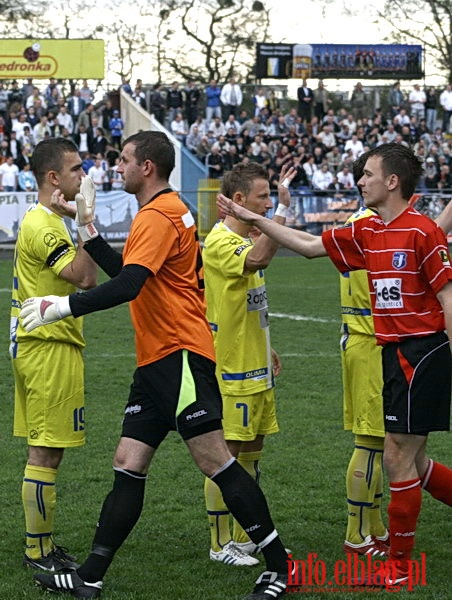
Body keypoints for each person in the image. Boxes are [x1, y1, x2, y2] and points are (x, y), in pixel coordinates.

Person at [22, 131, 290, 600]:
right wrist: (87, 228)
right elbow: (131, 270)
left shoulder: (158, 214)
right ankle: (90, 576)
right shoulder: (168, 210)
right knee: (128, 462)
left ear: (147, 167)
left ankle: (280, 567)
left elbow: (127, 285)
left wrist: (61, 307)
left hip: (178, 354)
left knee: (217, 461)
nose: (116, 168)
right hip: (159, 360)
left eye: (124, 160)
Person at [217, 143, 452, 587]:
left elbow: (447, 298)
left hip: (420, 354)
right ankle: (390, 555)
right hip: (391, 353)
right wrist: (259, 220)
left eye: (367, 174)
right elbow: (307, 246)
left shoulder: (422, 232)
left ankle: (398, 570)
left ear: (393, 181)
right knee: (412, 463)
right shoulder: (369, 231)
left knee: (398, 457)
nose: (360, 181)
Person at [10, 138, 97, 572]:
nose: (84, 175)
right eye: (77, 168)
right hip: (48, 347)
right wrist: (85, 221)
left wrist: (74, 219)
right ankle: (38, 553)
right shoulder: (44, 225)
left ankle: (40, 547)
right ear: (53, 177)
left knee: (47, 451)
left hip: (41, 345)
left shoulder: (46, 219)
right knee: (45, 452)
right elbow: (85, 277)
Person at [203, 162, 295, 566]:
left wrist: (268, 346)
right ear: (239, 201)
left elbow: (252, 302)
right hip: (233, 369)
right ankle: (220, 542)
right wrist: (281, 216)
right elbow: (259, 260)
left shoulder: (246, 236)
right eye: (262, 196)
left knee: (253, 453)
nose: (268, 202)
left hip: (257, 363)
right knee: (228, 455)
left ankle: (248, 535)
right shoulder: (221, 242)